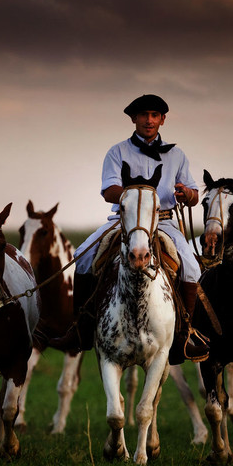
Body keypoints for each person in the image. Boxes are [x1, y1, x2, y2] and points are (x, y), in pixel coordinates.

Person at [55, 94, 208, 364]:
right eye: (143, 115)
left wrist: (187, 194)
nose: (149, 120)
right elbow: (109, 190)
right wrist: (136, 198)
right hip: (123, 220)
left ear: (162, 120)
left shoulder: (177, 155)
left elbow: (194, 193)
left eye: (154, 115)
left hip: (163, 221)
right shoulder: (117, 152)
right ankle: (79, 329)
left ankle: (186, 334)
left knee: (192, 267)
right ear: (133, 119)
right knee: (82, 256)